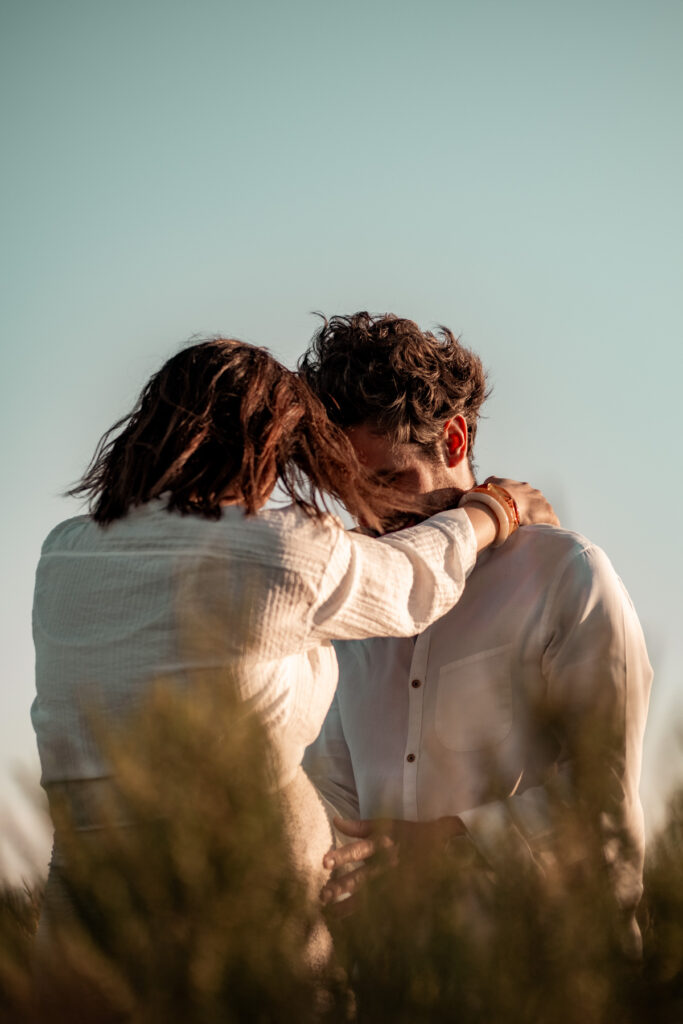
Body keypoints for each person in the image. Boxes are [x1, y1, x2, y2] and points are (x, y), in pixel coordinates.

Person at [31, 336, 554, 972]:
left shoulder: (64, 553)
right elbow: (412, 581)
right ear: (263, 441)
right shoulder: (279, 549)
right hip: (244, 934)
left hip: (82, 935)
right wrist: (494, 508)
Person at [301, 312, 653, 957]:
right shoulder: (350, 614)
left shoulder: (567, 575)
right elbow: (330, 804)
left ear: (455, 439)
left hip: (551, 978)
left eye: (389, 481)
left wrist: (442, 845)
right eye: (350, 494)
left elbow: (604, 814)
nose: (371, 516)